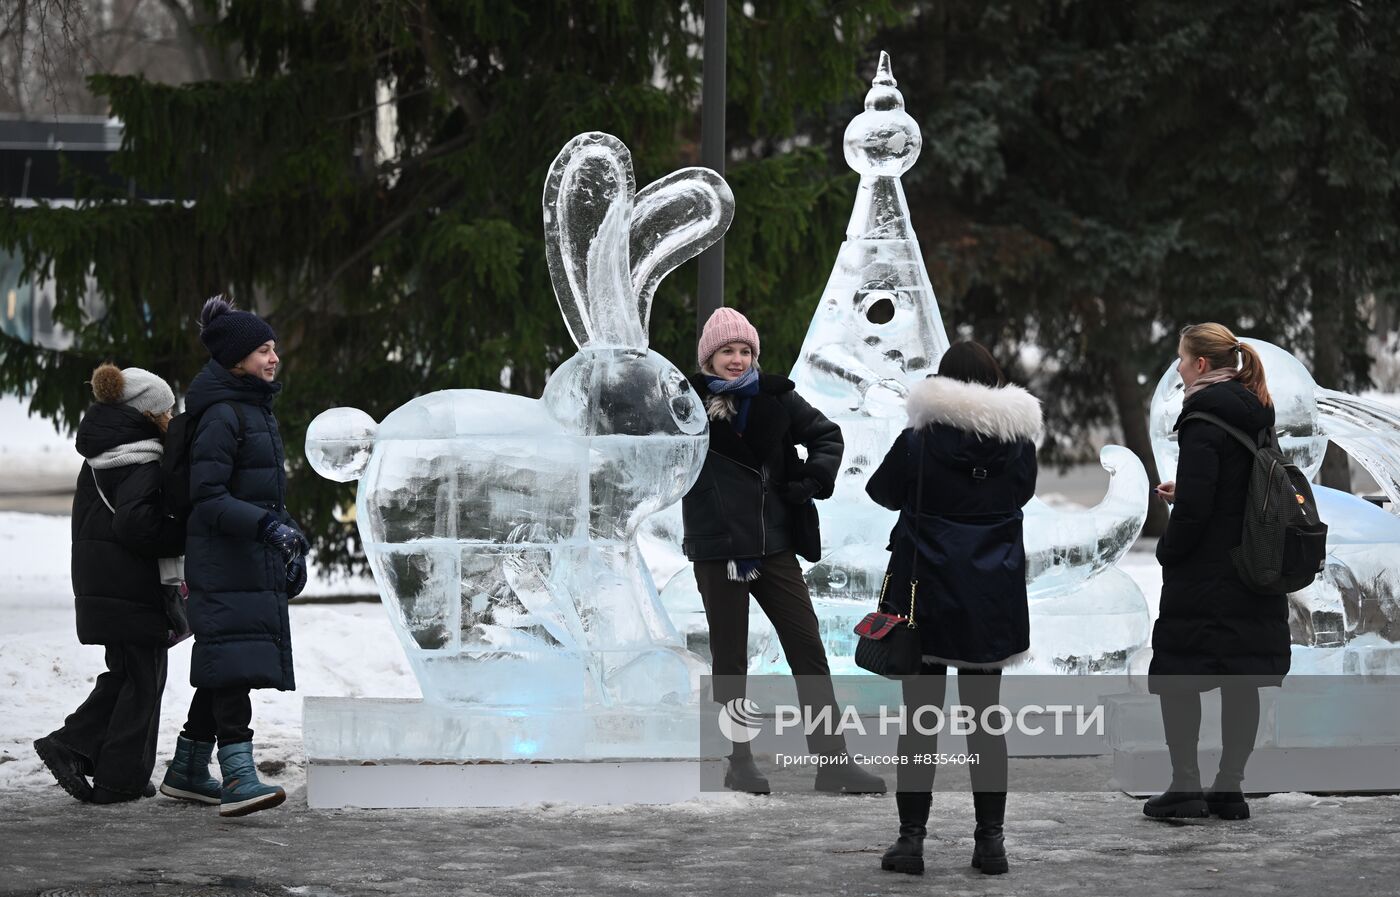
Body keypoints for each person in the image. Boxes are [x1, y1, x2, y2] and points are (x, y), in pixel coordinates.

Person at [682, 307, 885, 795]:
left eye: (745, 350)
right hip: (720, 547)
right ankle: (740, 762)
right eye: (727, 351)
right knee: (731, 661)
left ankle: (832, 762)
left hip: (773, 544)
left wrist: (811, 478)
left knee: (808, 648)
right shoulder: (684, 403)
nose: (737, 359)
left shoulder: (777, 396)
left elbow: (827, 435)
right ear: (709, 357)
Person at [865, 340, 1041, 877]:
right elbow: (1021, 497)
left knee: (920, 722)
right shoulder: (1019, 446)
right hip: (992, 598)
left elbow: (880, 491)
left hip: (926, 593)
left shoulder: (919, 440)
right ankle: (991, 845)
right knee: (985, 722)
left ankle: (911, 842)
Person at [157, 296, 308, 818]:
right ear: (236, 358)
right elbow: (209, 497)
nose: (273, 358)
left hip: (244, 559)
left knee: (230, 662)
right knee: (229, 664)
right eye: (263, 350)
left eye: (274, 349)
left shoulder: (252, 409)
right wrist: (268, 528)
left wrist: (287, 538)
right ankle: (239, 776)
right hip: (222, 559)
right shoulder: (223, 414)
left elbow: (263, 495)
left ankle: (186, 770)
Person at [1143, 323, 1290, 821]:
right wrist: (1187, 490)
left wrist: (1170, 549)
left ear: (1202, 365)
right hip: (1253, 564)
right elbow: (1237, 487)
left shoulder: (1203, 416)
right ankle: (1230, 789)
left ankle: (1185, 785)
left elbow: (1200, 508)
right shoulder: (1256, 410)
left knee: (1178, 675)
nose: (1180, 369)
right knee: (1241, 678)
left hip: (1206, 574)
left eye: (1182, 360)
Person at [34, 364, 184, 804]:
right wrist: (182, 534)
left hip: (108, 580)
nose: (170, 418)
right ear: (147, 413)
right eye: (166, 411)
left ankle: (111, 768)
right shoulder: (139, 459)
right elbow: (138, 526)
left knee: (130, 675)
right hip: (131, 585)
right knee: (142, 678)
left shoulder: (107, 452)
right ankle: (92, 760)